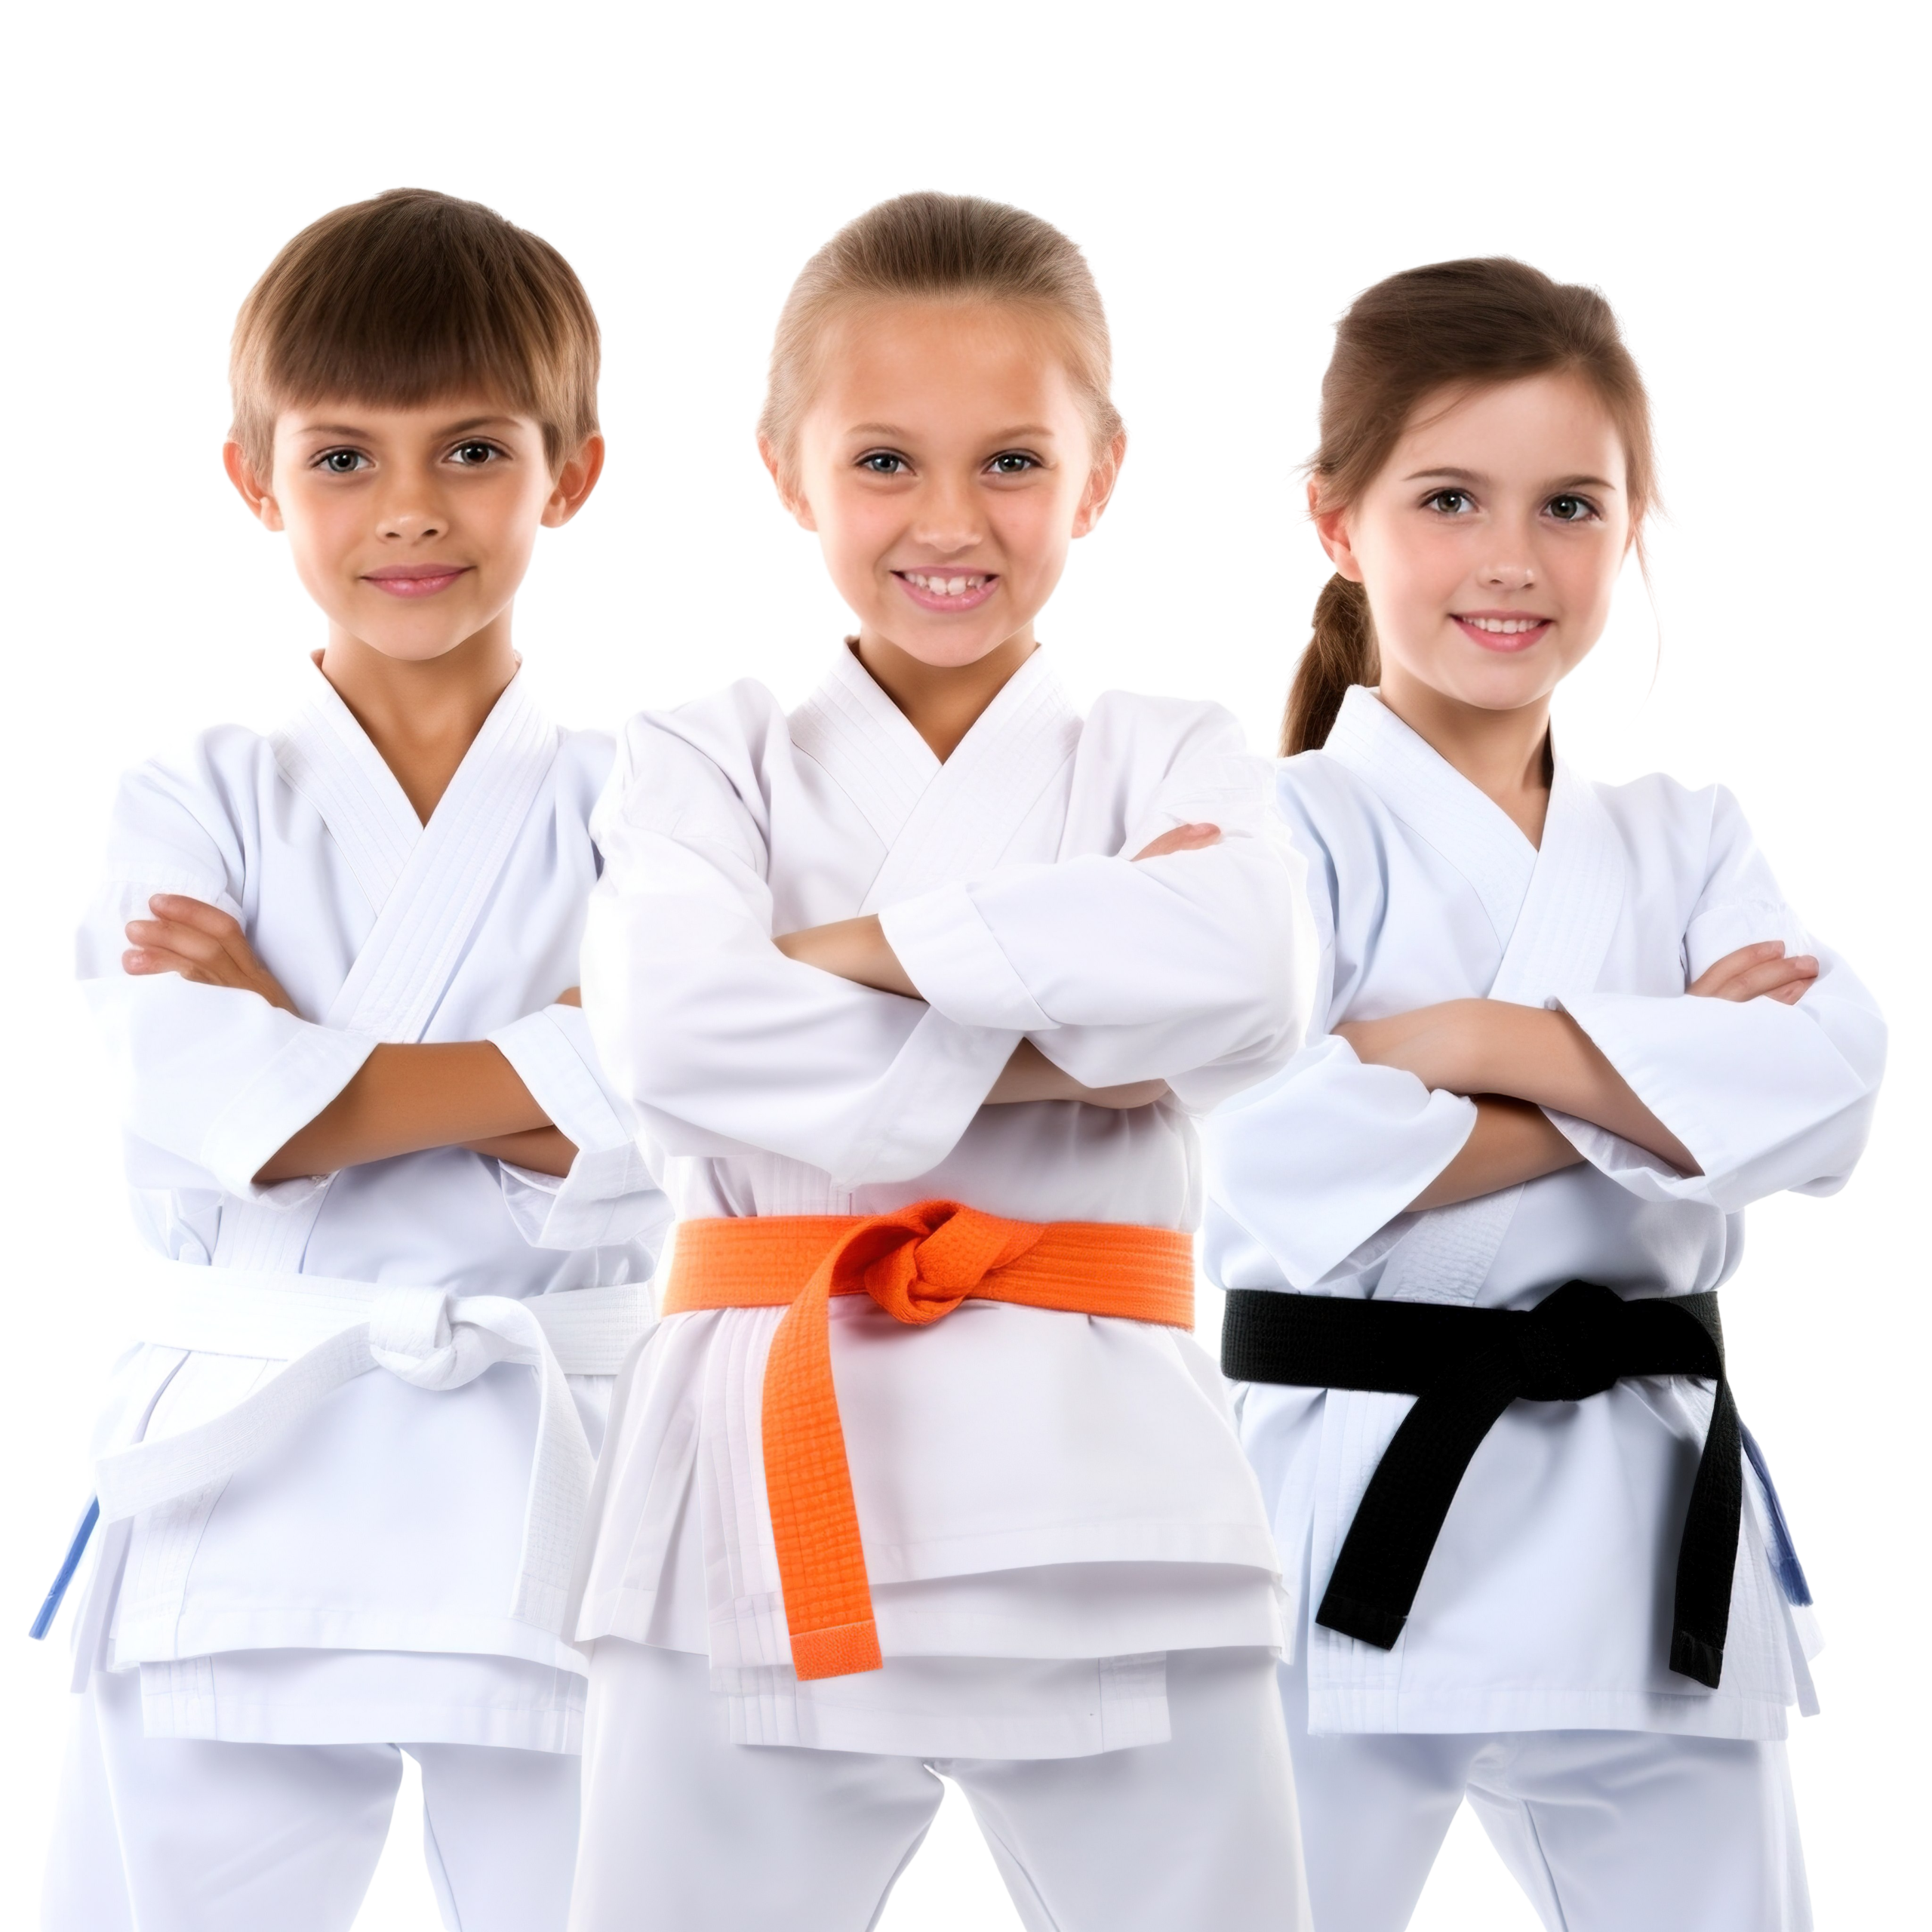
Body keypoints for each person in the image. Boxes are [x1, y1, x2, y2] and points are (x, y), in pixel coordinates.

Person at [566, 188, 1317, 1931]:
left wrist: (821, 958)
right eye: (885, 460)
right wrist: (1074, 1043)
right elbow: (664, 1027)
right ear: (785, 467)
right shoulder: (700, 754)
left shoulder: (1166, 749)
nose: (949, 522)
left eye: (1011, 462)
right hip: (752, 1470)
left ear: (1100, 472)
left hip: (1106, 1485)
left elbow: (1248, 976)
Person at [1201, 252, 1888, 1930]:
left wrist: (1457, 1040)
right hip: (1335, 1504)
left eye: (1572, 506)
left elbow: (1825, 1091)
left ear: (1640, 526)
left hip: (1645, 1529)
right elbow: (1251, 1150)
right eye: (1449, 498)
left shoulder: (1685, 833)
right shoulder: (1264, 826)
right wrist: (1658, 1077)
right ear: (1334, 521)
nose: (1512, 559)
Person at [36, 186, 667, 1932]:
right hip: (245, 1470)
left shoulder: (656, 794)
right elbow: (215, 1111)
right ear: (254, 479)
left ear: (569, 474)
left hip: (567, 1479)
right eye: (342, 457)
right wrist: (551, 1068)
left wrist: (315, 1058)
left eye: (471, 449)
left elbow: (690, 1106)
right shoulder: (190, 794)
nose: (409, 510)